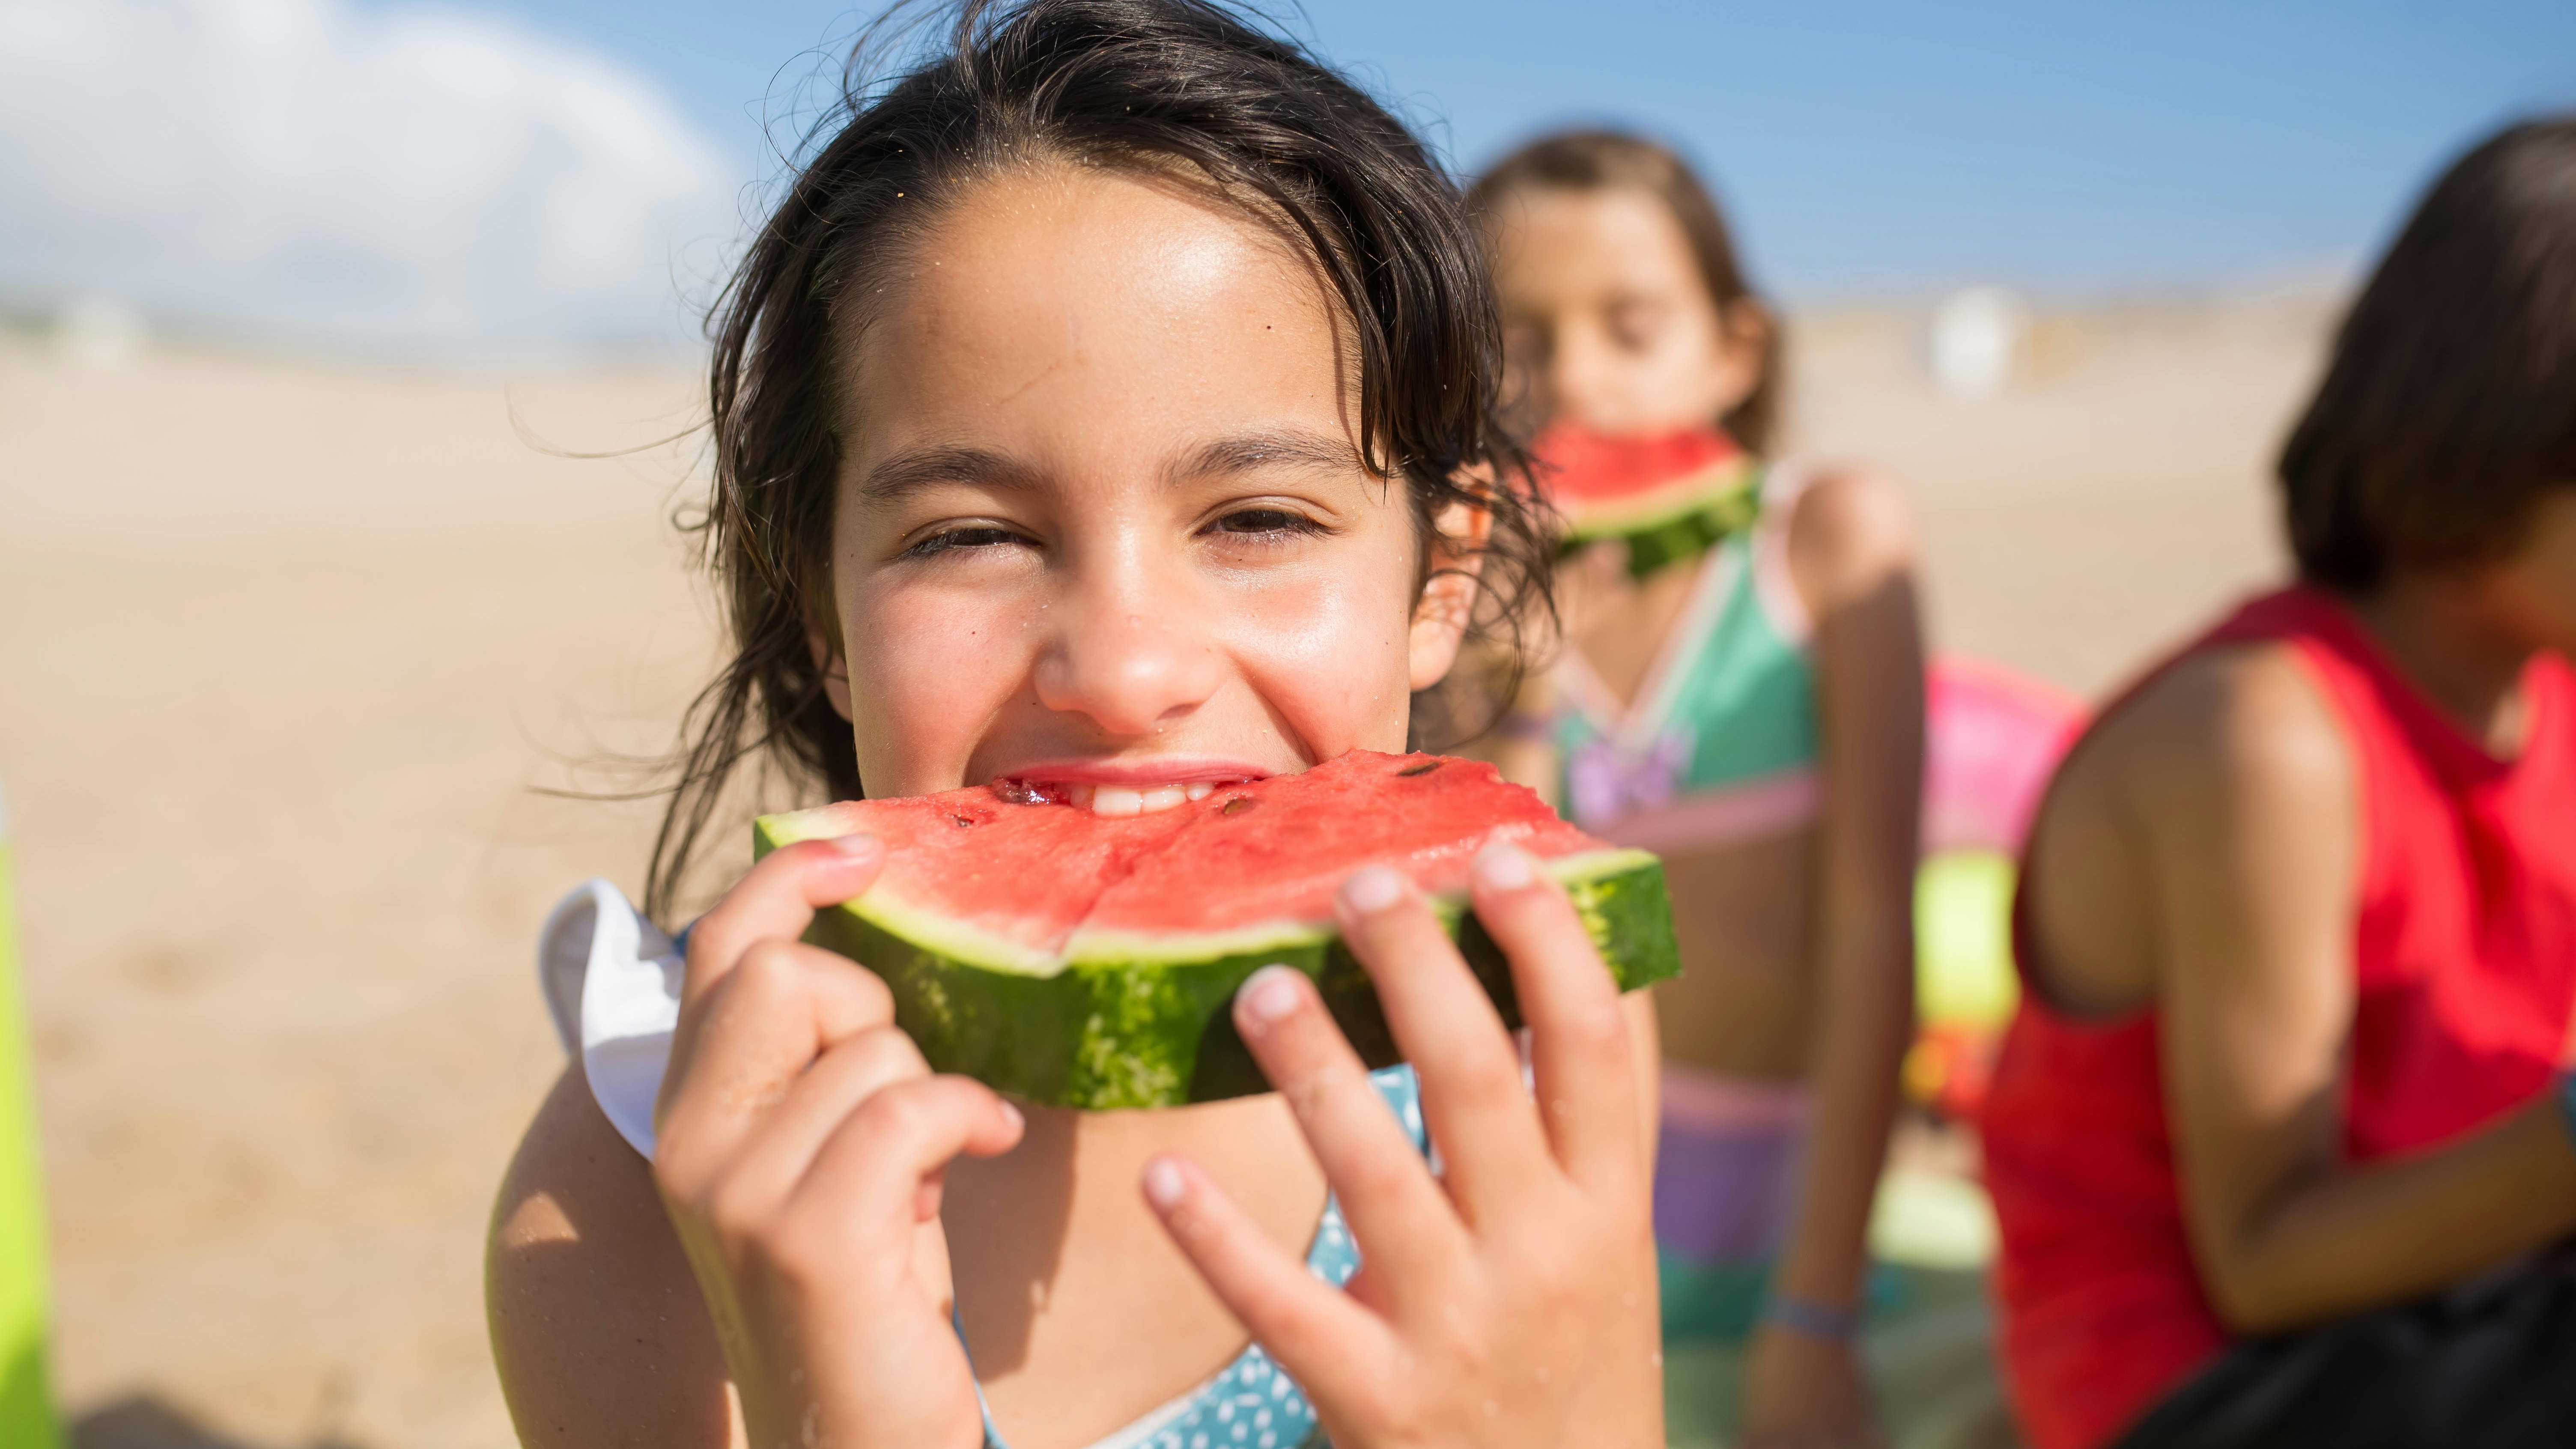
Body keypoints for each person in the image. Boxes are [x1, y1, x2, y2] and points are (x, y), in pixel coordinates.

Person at [482, 4, 1672, 1447]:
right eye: (972, 533)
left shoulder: (1538, 1036)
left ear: (1445, 573)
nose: (1120, 670)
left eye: (1257, 519)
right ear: (818, 608)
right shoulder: (630, 1200)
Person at [1981, 116, 2576, 1449]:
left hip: (2469, 1295)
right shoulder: (2267, 738)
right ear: (2503, 441)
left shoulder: (2551, 681)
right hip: (2204, 1373)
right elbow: (2266, 1263)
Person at [1470, 133, 1927, 1448]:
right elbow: (1503, 919)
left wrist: (1818, 1313)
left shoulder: (1830, 540)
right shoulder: (1457, 590)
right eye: (1518, 339)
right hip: (1550, 1211)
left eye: (1632, 327)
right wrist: (1524, 681)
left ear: (1735, 349)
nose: (1577, 384)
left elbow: (1871, 931)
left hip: (1788, 1212)